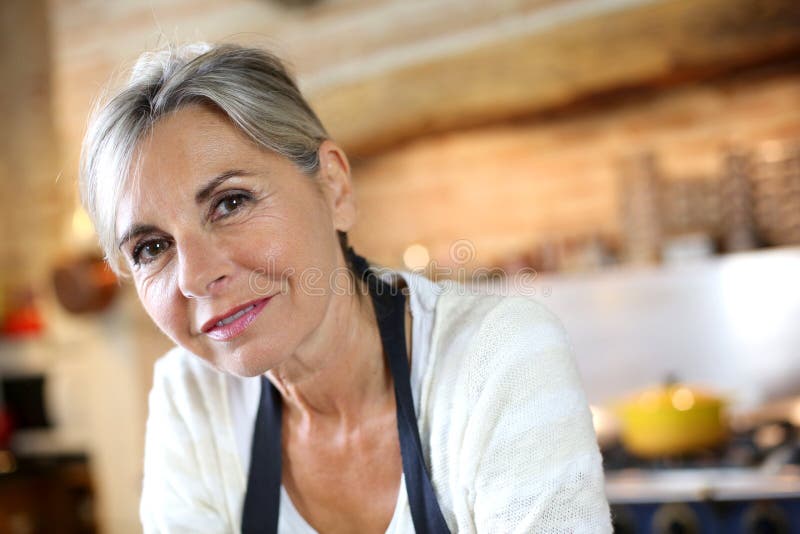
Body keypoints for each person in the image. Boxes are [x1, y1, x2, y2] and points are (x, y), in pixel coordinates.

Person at [80, 42, 612, 533]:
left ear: (333, 185)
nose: (196, 277)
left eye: (231, 202)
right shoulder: (192, 397)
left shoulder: (495, 355)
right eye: (151, 247)